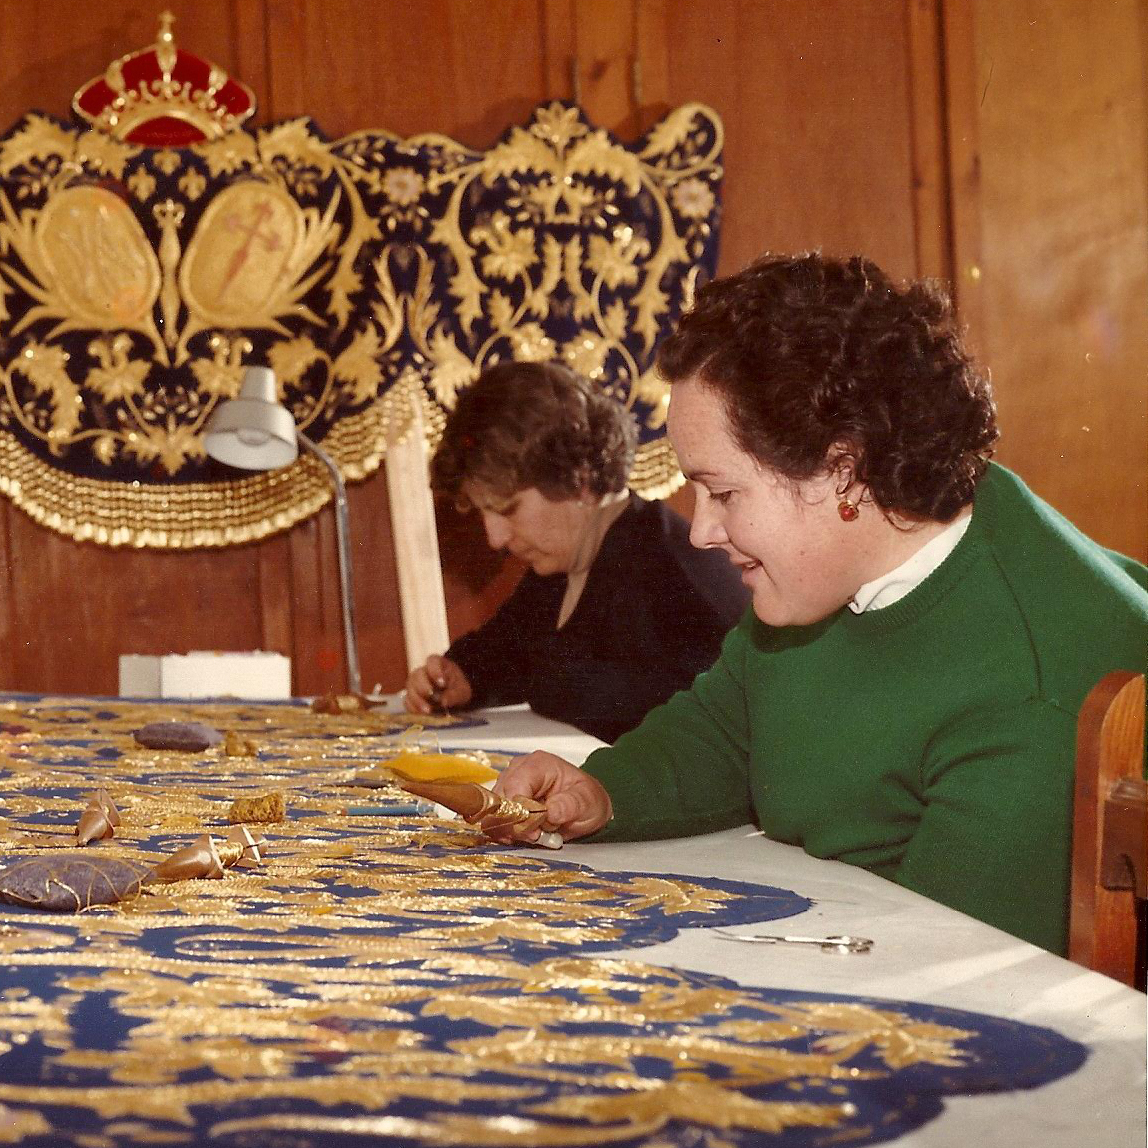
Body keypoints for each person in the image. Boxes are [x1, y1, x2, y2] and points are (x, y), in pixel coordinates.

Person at [487, 252, 1148, 956]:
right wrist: (602, 793)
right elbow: (726, 730)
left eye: (724, 492)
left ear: (844, 469)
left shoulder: (1036, 684)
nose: (704, 529)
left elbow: (948, 965)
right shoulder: (835, 565)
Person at [403, 360, 749, 743]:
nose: (495, 538)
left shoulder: (676, 577)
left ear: (578, 480)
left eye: (507, 509)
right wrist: (460, 677)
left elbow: (720, 745)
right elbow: (505, 651)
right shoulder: (559, 570)